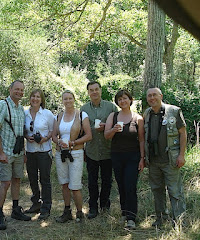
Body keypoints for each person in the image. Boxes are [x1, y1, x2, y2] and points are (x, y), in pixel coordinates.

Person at [144, 87, 187, 227]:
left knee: (175, 191)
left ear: (161, 95)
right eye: (149, 96)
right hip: (153, 161)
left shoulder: (174, 111)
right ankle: (161, 218)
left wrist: (181, 155)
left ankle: (179, 221)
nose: (152, 98)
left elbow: (183, 133)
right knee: (157, 190)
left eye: (154, 95)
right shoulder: (147, 113)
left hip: (171, 159)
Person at [0, 80, 31, 230]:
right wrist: (0, 152)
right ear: (10, 89)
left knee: (17, 180)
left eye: (21, 90)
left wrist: (24, 152)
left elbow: (21, 132)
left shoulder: (21, 108)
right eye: (17, 89)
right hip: (6, 153)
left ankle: (15, 210)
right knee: (5, 183)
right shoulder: (2, 105)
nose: (19, 92)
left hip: (19, 153)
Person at [104, 90, 145, 229]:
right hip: (117, 156)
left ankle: (131, 218)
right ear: (117, 102)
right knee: (121, 185)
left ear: (130, 100)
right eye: (120, 99)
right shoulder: (113, 116)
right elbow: (106, 135)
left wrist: (142, 158)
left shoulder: (137, 118)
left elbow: (141, 140)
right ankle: (124, 213)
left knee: (130, 186)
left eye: (125, 98)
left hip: (133, 157)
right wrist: (114, 130)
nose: (123, 101)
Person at [52, 90, 92, 223]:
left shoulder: (81, 115)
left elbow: (88, 135)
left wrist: (73, 143)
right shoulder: (59, 116)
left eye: (70, 98)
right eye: (65, 99)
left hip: (76, 153)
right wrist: (59, 142)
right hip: (61, 153)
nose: (68, 101)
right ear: (62, 101)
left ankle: (80, 213)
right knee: (64, 183)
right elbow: (53, 135)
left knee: (75, 185)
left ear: (74, 99)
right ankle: (67, 211)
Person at [80, 81, 118, 219]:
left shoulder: (111, 107)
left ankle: (105, 205)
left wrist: (106, 127)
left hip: (108, 150)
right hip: (91, 151)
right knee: (92, 181)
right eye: (91, 90)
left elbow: (117, 124)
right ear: (88, 92)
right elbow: (80, 131)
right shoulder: (83, 109)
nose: (94, 92)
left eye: (96, 89)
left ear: (100, 91)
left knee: (107, 180)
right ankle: (93, 207)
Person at [24, 89, 55, 220]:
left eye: (38, 97)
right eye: (33, 96)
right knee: (32, 178)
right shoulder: (25, 113)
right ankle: (36, 203)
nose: (35, 99)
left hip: (44, 151)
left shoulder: (47, 114)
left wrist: (45, 138)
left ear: (42, 100)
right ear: (30, 98)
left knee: (45, 180)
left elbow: (53, 131)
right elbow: (23, 131)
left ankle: (46, 207)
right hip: (30, 151)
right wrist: (27, 136)